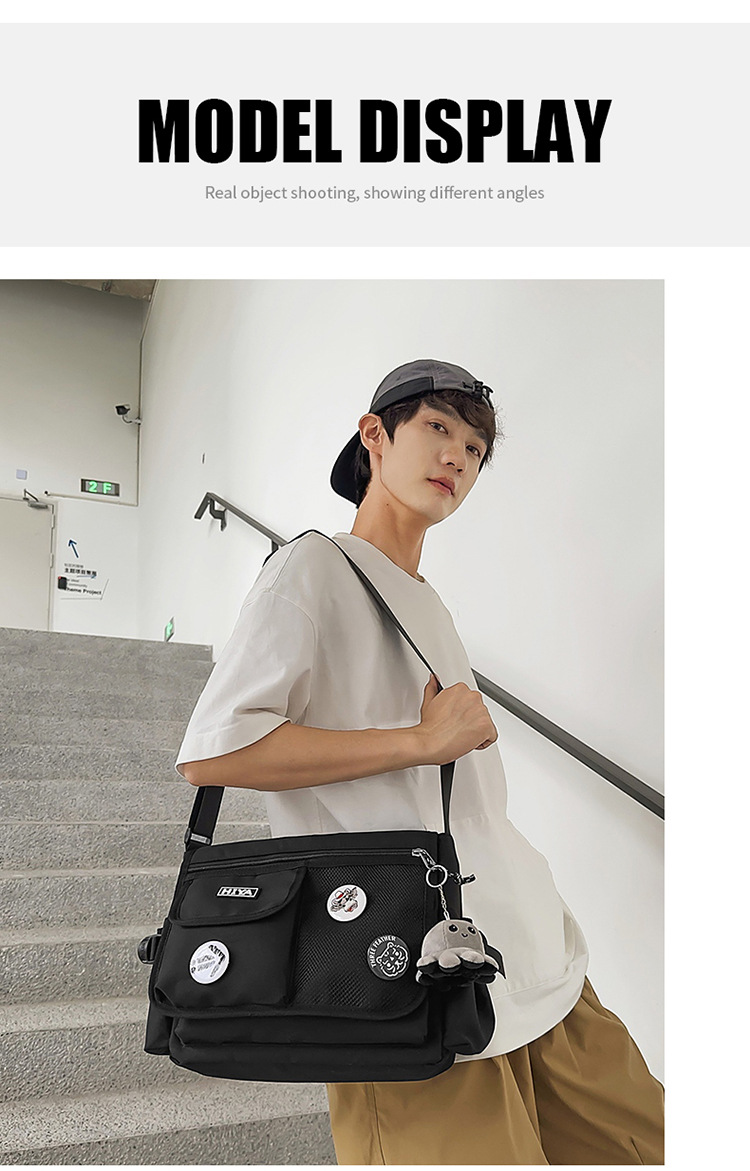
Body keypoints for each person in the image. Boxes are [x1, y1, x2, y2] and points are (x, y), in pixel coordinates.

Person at [176, 359, 664, 1165]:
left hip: (527, 948)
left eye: (474, 449)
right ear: (375, 435)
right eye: (438, 428)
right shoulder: (311, 567)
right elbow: (215, 749)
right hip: (402, 968)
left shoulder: (427, 599)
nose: (456, 458)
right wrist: (418, 741)